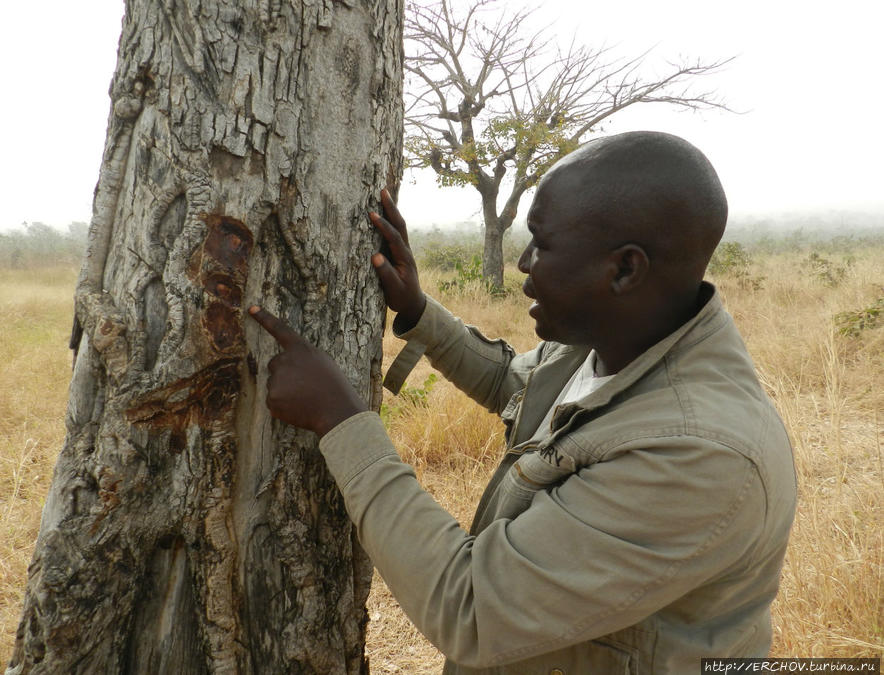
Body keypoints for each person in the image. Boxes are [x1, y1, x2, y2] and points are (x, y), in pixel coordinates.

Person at [248, 131, 797, 674]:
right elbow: (517, 386)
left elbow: (471, 609)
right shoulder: (613, 341)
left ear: (625, 270)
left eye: (543, 243)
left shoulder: (699, 455)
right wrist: (417, 311)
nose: (523, 263)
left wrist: (341, 421)